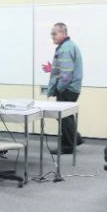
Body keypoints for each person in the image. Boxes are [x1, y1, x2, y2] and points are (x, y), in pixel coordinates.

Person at [41, 22, 83, 155]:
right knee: (67, 116)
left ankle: (67, 146)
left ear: (63, 33)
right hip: (72, 87)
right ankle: (75, 139)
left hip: (67, 88)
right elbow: (64, 68)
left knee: (64, 117)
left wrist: (59, 88)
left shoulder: (65, 48)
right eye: (51, 33)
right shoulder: (68, 46)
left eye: (55, 33)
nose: (52, 36)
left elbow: (66, 74)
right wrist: (52, 69)